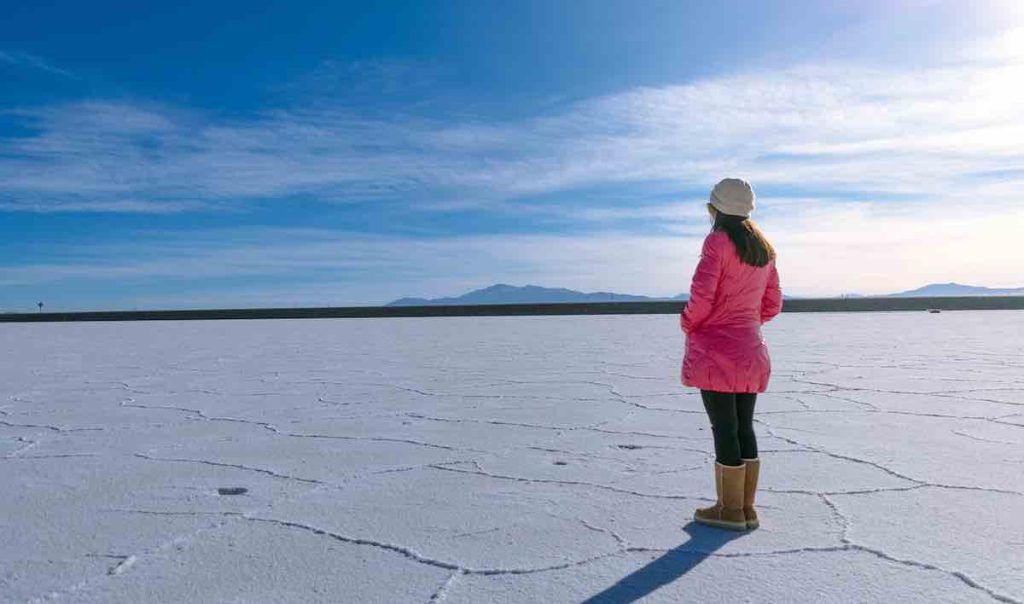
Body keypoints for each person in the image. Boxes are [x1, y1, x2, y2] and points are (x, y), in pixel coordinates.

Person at [681, 178, 782, 531]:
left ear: (715, 208)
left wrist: (689, 322)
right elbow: (772, 304)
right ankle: (745, 509)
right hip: (750, 349)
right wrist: (746, 324)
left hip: (717, 351)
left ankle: (728, 511)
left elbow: (702, 295)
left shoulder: (717, 242)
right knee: (743, 426)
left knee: (723, 427)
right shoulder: (763, 247)